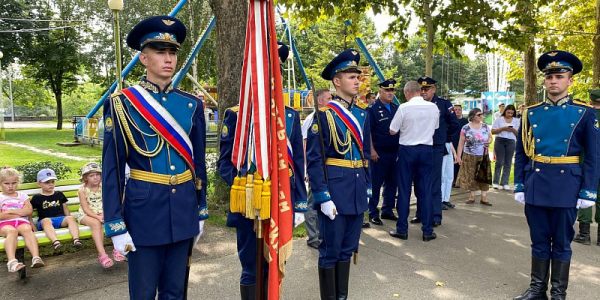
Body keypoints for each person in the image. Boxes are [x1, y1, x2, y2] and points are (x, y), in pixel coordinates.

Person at [102, 16, 207, 299]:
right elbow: (111, 169)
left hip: (184, 207)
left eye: (172, 52)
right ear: (143, 58)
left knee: (176, 292)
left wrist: (201, 208)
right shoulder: (122, 103)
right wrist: (115, 223)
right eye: (160, 52)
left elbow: (198, 164)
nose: (168, 59)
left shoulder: (191, 104)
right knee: (144, 292)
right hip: (144, 211)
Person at [217, 42, 307, 298]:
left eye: (276, 70)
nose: (271, 77)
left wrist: (299, 202)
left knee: (276, 266)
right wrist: (246, 189)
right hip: (248, 205)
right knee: (251, 269)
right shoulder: (236, 115)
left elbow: (296, 165)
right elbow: (224, 164)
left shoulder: (290, 116)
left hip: (280, 204)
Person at [513, 51, 598, 300]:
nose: (553, 81)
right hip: (537, 181)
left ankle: (558, 294)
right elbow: (521, 153)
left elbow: (593, 157)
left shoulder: (584, 113)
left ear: (570, 80)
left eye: (559, 76)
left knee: (561, 242)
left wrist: (588, 190)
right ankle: (537, 290)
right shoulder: (531, 112)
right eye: (549, 76)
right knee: (538, 239)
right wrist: (519, 184)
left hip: (566, 184)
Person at [306, 49, 371, 299]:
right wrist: (322, 196)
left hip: (355, 192)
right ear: (336, 81)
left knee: (348, 250)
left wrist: (368, 186)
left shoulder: (361, 114)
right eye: (351, 76)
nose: (357, 80)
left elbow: (365, 156)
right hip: (334, 192)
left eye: (358, 76)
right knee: (330, 252)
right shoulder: (323, 116)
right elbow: (314, 159)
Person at [388, 81, 439, 242]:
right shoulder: (433, 107)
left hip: (407, 150)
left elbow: (392, 130)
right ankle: (427, 230)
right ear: (420, 91)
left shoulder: (404, 107)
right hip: (426, 149)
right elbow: (435, 127)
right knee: (425, 190)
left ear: (407, 93)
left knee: (404, 190)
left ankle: (402, 229)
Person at [411, 76, 459, 227]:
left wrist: (444, 138)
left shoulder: (443, 104)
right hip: (419, 145)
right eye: (421, 89)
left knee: (434, 182)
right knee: (419, 180)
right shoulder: (416, 104)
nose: (423, 92)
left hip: (436, 147)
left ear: (433, 89)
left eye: (426, 89)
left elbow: (454, 124)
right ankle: (420, 213)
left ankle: (435, 216)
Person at [77, 163, 125, 268]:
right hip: (87, 215)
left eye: (97, 174)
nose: (95, 177)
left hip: (103, 213)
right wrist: (97, 216)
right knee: (96, 224)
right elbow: (85, 208)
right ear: (85, 178)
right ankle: (102, 254)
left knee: (114, 219)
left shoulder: (104, 187)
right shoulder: (82, 190)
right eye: (91, 175)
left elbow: (110, 202)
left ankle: (117, 249)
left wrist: (105, 213)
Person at [366, 79, 399, 226]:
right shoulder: (372, 108)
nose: (390, 93)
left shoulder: (396, 108)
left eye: (392, 91)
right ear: (380, 91)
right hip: (378, 153)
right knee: (376, 184)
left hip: (395, 151)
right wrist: (372, 150)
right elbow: (368, 132)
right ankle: (373, 213)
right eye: (387, 90)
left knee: (392, 183)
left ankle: (387, 210)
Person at [302, 88, 332, 248]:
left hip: (327, 171)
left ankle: (321, 234)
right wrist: (309, 170)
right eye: (328, 98)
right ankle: (312, 238)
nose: (332, 101)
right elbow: (306, 146)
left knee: (323, 203)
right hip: (316, 171)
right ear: (320, 101)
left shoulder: (327, 117)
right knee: (312, 205)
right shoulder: (312, 119)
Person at [0, 167, 44, 272]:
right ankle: (12, 262)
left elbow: (28, 211)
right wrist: (20, 212)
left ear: (18, 182)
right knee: (12, 231)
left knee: (27, 229)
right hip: (4, 225)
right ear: (1, 183)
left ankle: (36, 258)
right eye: (7, 183)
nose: (11, 186)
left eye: (14, 183)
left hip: (22, 222)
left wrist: (7, 212)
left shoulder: (23, 196)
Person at [30, 168, 82, 252]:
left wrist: (69, 218)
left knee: (70, 218)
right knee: (46, 220)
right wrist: (32, 225)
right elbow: (30, 212)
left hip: (60, 219)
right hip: (45, 222)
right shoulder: (37, 197)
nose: (50, 184)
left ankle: (76, 240)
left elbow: (65, 208)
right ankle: (55, 242)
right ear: (39, 184)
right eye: (47, 182)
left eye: (52, 182)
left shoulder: (59, 194)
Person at [573, 90, 600, 246]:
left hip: (587, 163)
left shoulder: (585, 116)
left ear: (590, 101)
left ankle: (585, 233)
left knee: (586, 194)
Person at [455, 108, 493, 205]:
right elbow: (461, 143)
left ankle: (483, 197)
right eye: (478, 115)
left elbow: (490, 137)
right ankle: (472, 196)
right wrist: (458, 156)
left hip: (483, 154)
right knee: (471, 175)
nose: (481, 116)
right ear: (473, 116)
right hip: (469, 155)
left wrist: (489, 141)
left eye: (481, 114)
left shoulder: (485, 126)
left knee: (483, 175)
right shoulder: (466, 128)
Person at [491, 104, 520, 190]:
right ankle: (495, 181)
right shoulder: (499, 120)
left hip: (511, 141)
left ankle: (504, 182)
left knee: (508, 162)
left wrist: (513, 130)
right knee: (499, 162)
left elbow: (519, 133)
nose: (510, 115)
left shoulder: (516, 121)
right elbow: (493, 131)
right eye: (508, 113)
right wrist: (503, 128)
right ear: (505, 112)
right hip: (500, 140)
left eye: (511, 113)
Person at [452, 104, 468, 187]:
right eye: (455, 110)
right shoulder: (451, 120)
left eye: (459, 110)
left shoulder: (465, 122)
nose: (457, 111)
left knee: (461, 162)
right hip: (453, 143)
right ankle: (453, 179)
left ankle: (460, 179)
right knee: (453, 162)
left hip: (462, 144)